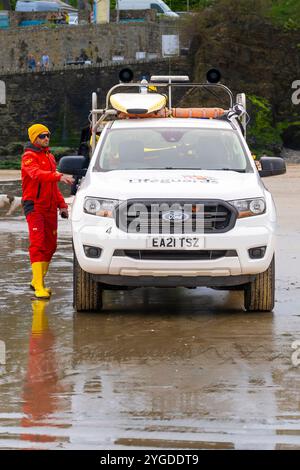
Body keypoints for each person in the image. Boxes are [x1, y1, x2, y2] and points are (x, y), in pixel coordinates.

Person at [21, 124, 74, 299]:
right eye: (42, 136)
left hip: (50, 207)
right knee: (38, 244)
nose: (46, 138)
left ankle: (37, 281)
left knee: (51, 246)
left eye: (48, 135)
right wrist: (59, 176)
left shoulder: (50, 157)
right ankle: (38, 286)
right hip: (34, 206)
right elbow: (36, 174)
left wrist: (62, 205)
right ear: (34, 138)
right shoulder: (28, 157)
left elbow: (52, 186)